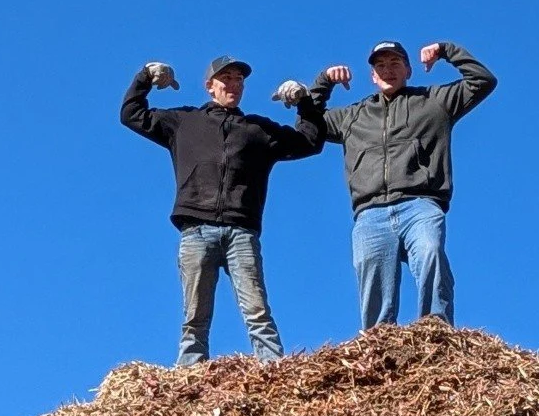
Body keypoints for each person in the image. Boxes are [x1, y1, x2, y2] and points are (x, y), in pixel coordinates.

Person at [120, 56, 323, 365]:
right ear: (209, 86)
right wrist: (146, 76)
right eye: (226, 78)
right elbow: (131, 114)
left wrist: (304, 102)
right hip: (196, 230)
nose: (233, 84)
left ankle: (273, 368)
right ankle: (190, 373)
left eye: (239, 79)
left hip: (241, 231)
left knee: (257, 310)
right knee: (195, 314)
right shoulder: (183, 122)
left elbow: (309, 141)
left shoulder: (257, 129)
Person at [310, 40, 496, 329]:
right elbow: (310, 124)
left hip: (419, 204)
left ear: (408, 70)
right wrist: (323, 83)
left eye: (395, 63)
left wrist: (447, 51)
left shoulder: (433, 102)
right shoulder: (353, 116)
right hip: (370, 213)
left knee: (430, 251)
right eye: (380, 65)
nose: (388, 70)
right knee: (371, 273)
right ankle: (377, 343)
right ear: (372, 75)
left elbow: (483, 81)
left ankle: (434, 330)